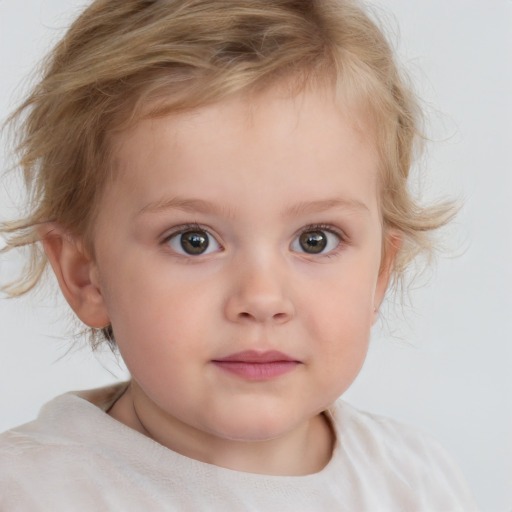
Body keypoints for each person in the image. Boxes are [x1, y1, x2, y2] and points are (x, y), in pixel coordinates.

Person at [0, 0, 478, 510]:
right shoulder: (31, 490)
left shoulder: (415, 482)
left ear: (380, 273)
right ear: (85, 277)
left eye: (315, 239)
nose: (262, 299)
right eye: (194, 240)